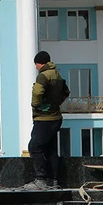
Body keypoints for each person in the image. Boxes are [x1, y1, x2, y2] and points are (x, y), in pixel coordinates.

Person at [21, 51, 70, 190]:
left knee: (34, 147)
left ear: (39, 63)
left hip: (44, 118)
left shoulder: (43, 76)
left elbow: (37, 92)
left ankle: (40, 180)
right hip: (56, 118)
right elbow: (66, 92)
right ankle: (53, 181)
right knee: (51, 150)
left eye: (36, 64)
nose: (36, 67)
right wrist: (56, 104)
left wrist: (36, 105)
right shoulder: (57, 75)